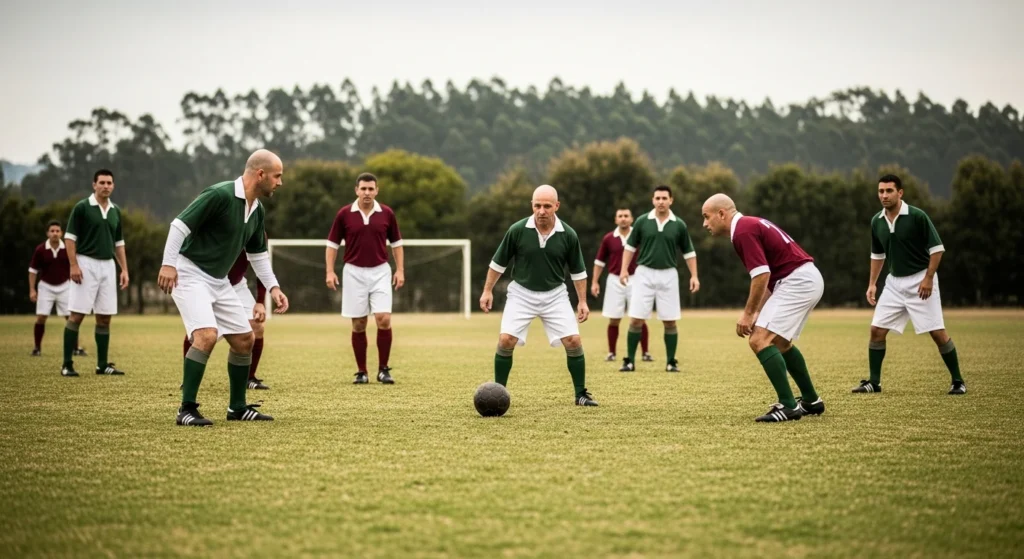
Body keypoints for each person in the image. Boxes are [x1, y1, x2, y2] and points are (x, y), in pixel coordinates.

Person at [158, 149, 290, 427]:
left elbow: (257, 255)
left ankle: (238, 408)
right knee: (206, 335)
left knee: (245, 339)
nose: (280, 182)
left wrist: (274, 287)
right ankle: (186, 409)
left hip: (219, 281)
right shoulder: (219, 195)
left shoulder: (257, 209)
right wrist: (168, 264)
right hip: (190, 274)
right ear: (261, 174)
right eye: (277, 176)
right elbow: (179, 225)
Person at [701, 194, 826, 422]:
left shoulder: (742, 231)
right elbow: (769, 275)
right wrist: (759, 310)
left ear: (721, 214)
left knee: (759, 340)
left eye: (706, 217)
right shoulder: (749, 224)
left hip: (797, 281)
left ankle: (788, 406)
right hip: (804, 278)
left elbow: (761, 274)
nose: (704, 224)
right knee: (779, 341)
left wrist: (748, 314)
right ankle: (811, 400)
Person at [480, 184, 598, 407]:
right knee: (506, 340)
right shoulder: (517, 230)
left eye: (546, 206)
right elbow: (498, 264)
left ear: (557, 206)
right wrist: (487, 290)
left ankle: (581, 394)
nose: (541, 210)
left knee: (573, 341)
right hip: (521, 294)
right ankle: (498, 394)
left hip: (555, 295)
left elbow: (578, 271)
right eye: (537, 205)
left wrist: (582, 301)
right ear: (531, 206)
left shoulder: (568, 234)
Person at [856, 174, 966, 395]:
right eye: (881, 191)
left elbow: (937, 250)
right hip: (894, 283)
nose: (884, 195)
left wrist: (927, 279)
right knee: (876, 330)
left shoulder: (917, 216)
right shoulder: (877, 221)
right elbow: (877, 255)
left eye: (889, 191)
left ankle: (958, 381)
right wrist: (872, 284)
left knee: (937, 333)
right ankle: (874, 383)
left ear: (900, 193)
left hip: (920, 281)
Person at [325, 173, 405, 385]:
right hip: (353, 272)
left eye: (371, 189)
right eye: (363, 189)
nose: (367, 193)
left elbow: (397, 244)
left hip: (380, 271)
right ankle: (362, 372)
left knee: (383, 319)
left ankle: (383, 370)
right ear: (356, 190)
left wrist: (400, 270)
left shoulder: (386, 213)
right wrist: (329, 271)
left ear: (377, 190)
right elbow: (332, 244)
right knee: (359, 323)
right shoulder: (344, 214)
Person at [618, 185, 700, 373]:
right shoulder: (641, 221)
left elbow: (689, 252)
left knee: (670, 320)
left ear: (671, 200)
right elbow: (629, 247)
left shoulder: (679, 224)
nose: (661, 201)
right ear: (652, 200)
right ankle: (629, 361)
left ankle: (671, 362)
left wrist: (694, 275)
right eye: (658, 198)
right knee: (636, 319)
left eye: (664, 198)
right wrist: (624, 270)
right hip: (644, 274)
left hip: (669, 274)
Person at [61, 169, 129, 377]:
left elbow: (119, 243)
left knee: (105, 318)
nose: (106, 186)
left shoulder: (115, 210)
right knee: (77, 315)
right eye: (102, 182)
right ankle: (67, 364)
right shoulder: (82, 208)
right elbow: (70, 238)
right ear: (94, 185)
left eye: (109, 183)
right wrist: (73, 265)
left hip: (108, 265)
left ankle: (102, 365)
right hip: (85, 264)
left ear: (113, 186)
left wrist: (124, 269)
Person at [182, 245, 270, 390]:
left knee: (257, 325)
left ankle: (249, 378)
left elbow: (262, 266)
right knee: (201, 333)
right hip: (207, 281)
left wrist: (260, 301)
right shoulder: (219, 225)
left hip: (236, 284)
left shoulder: (257, 230)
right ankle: (188, 380)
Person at [591, 208, 652, 363]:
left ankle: (645, 353)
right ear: (615, 219)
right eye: (620, 216)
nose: (623, 219)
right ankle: (612, 353)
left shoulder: (639, 237)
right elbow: (599, 262)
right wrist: (594, 281)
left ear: (632, 219)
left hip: (636, 279)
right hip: (614, 280)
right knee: (614, 318)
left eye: (626, 216)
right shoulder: (609, 238)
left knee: (640, 317)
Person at [28, 220, 86, 357]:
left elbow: (76, 266)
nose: (55, 233)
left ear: (62, 233)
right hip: (46, 287)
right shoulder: (40, 250)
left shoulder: (67, 248)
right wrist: (32, 289)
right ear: (47, 233)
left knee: (71, 317)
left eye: (57, 231)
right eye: (52, 231)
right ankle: (37, 348)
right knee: (41, 317)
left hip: (65, 286)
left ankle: (75, 348)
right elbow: (32, 270)